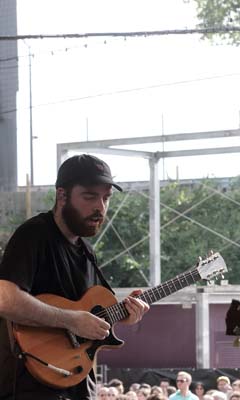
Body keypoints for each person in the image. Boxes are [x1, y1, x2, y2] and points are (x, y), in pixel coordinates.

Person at [0, 153, 150, 399]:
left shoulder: (87, 252)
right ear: (62, 195)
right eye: (90, 196)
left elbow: (90, 314)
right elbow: (5, 299)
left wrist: (124, 314)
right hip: (32, 385)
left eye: (106, 198)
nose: (100, 207)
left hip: (79, 383)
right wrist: (70, 320)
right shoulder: (34, 235)